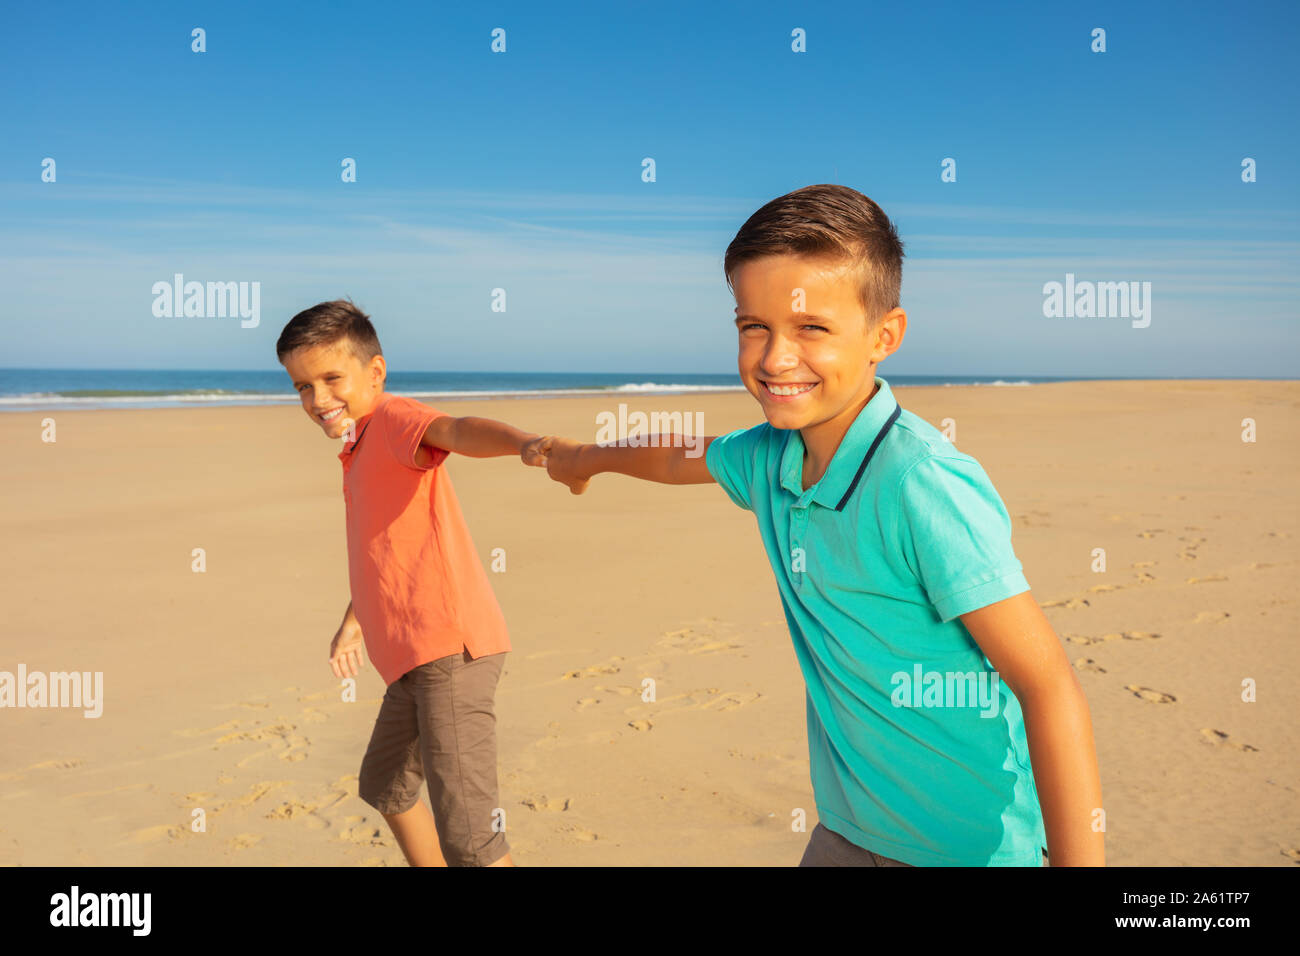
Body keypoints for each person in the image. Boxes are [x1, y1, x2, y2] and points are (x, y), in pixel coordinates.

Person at [538, 184, 1105, 866]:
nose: (776, 358)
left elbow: (1047, 686)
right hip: (845, 834)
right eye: (754, 326)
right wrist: (584, 457)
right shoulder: (767, 457)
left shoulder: (920, 483)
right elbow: (679, 454)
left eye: (811, 328)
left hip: (969, 848)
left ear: (883, 337)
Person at [276, 298, 548, 867]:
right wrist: (353, 623)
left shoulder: (396, 422)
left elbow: (455, 429)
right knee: (385, 784)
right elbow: (383, 551)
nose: (318, 399)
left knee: (472, 839)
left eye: (331, 378)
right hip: (409, 659)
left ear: (375, 372)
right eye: (302, 386)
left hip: (451, 649)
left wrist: (522, 441)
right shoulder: (357, 447)